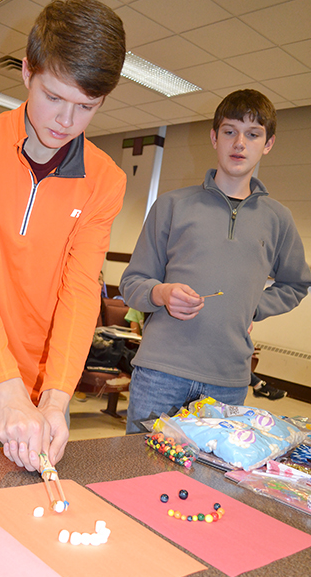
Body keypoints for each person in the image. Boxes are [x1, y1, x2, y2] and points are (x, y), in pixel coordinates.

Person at [0, 0, 126, 470]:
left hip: (49, 384)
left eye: (86, 107)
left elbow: (80, 291)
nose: (66, 121)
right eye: (53, 97)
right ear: (27, 71)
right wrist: (8, 389)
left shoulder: (106, 181)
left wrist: (56, 398)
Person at [120, 89, 311, 433]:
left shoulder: (278, 219)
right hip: (161, 372)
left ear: (268, 144)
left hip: (228, 380)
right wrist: (162, 293)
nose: (239, 143)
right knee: (139, 465)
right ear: (214, 138)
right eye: (229, 131)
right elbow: (132, 283)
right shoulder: (171, 205)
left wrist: (252, 307)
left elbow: (296, 283)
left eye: (253, 134)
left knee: (211, 469)